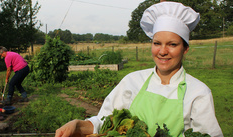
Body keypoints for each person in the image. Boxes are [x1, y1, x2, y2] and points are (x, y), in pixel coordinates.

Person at [55, 1, 223, 137]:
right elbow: (105, 121)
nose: (163, 51)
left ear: (185, 49)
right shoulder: (132, 81)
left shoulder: (198, 93)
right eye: (157, 43)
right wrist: (78, 125)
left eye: (172, 44)